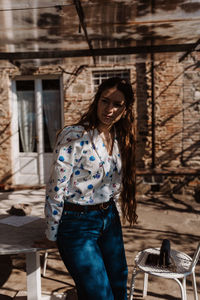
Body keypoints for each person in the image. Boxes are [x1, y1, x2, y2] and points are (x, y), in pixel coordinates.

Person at [43, 77, 137, 300]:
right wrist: (51, 231)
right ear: (96, 101)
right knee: (100, 295)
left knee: (118, 287)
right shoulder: (74, 135)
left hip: (109, 218)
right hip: (77, 224)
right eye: (105, 101)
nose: (109, 109)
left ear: (125, 109)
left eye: (117, 104)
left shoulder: (118, 137)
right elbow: (56, 187)